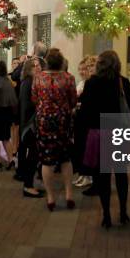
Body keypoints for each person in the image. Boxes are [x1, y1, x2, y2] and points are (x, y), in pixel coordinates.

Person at [78, 50, 130, 228]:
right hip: (120, 133)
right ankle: (124, 211)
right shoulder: (122, 82)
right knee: (121, 174)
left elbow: (86, 111)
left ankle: (106, 215)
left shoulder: (92, 83)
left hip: (100, 133)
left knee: (103, 176)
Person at [32, 48, 77, 211]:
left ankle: (50, 198)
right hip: (63, 122)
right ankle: (69, 195)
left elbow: (34, 98)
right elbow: (73, 101)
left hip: (44, 122)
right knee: (65, 159)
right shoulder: (69, 78)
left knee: (46, 160)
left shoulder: (38, 78)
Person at [18, 57, 46, 198]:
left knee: (35, 156)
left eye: (39, 65)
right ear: (28, 69)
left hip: (33, 124)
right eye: (34, 66)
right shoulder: (28, 82)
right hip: (30, 125)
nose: (37, 67)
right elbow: (26, 107)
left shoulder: (35, 82)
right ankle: (28, 186)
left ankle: (30, 184)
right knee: (33, 156)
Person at [73, 55, 98, 191]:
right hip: (82, 120)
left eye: (88, 67)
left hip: (89, 122)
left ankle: (88, 176)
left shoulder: (91, 82)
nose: (85, 71)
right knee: (82, 149)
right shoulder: (83, 83)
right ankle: (84, 174)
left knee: (88, 150)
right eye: (83, 68)